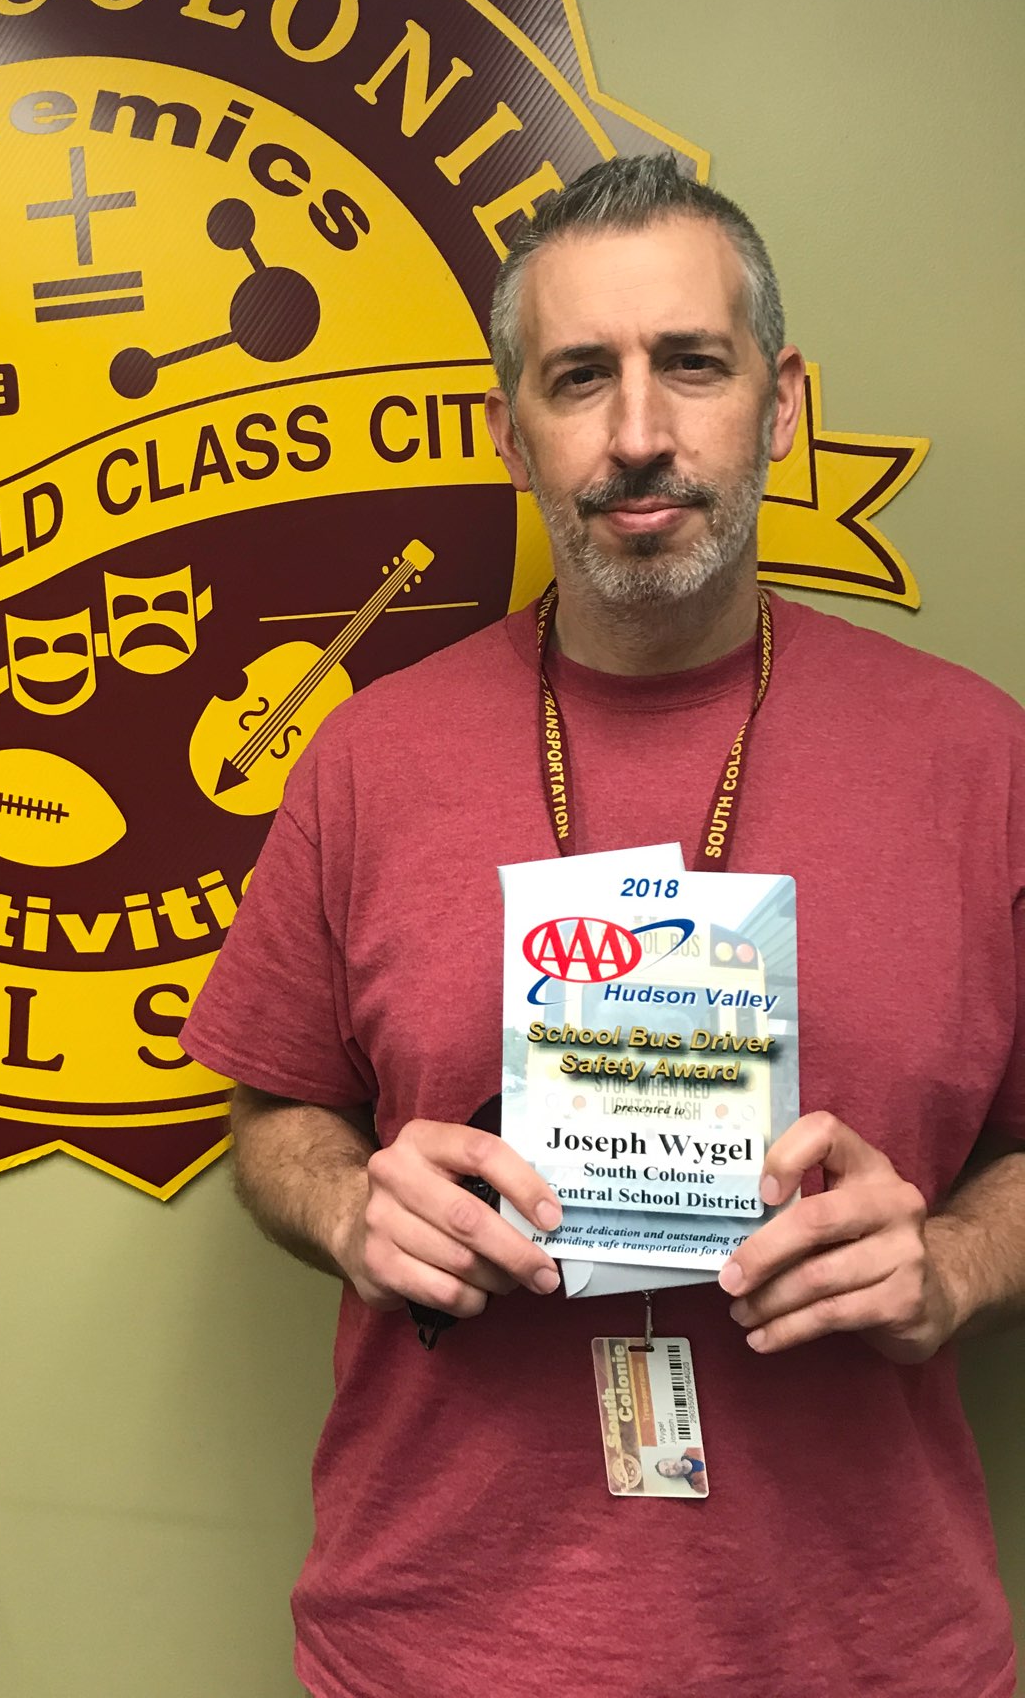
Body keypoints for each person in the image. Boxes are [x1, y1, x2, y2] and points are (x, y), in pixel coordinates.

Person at [179, 154, 1025, 1698]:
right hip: (437, 1651)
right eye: (581, 379)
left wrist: (958, 1264)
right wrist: (350, 1206)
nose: (640, 435)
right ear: (515, 434)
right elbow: (270, 1113)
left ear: (779, 404)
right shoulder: (369, 759)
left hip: (869, 1656)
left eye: (690, 366)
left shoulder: (980, 759)